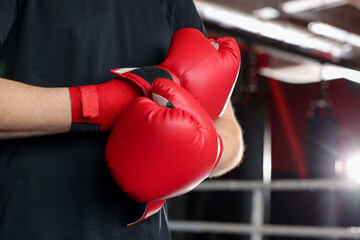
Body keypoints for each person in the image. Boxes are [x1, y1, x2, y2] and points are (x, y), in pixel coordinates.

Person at [0, 0, 244, 239]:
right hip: (33, 224)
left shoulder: (174, 4)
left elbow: (228, 132)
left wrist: (205, 149)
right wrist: (95, 105)